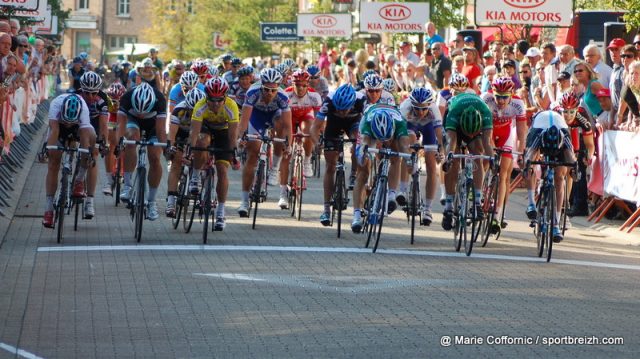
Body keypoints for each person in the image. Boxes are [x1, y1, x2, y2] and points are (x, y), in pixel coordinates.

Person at [237, 68, 292, 217]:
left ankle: (275, 167)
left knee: (281, 129)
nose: (270, 93)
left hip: (275, 115)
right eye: (266, 90)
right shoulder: (252, 94)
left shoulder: (283, 97)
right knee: (252, 154)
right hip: (257, 116)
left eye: (273, 90)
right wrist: (241, 137)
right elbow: (244, 120)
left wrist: (289, 145)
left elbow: (288, 125)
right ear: (261, 86)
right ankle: (244, 201)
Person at [187, 78, 239, 230]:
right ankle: (195, 176)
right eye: (212, 100)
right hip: (206, 129)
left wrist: (233, 153)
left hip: (224, 132)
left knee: (222, 170)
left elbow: (232, 134)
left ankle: (221, 212)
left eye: (219, 100)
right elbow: (194, 132)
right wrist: (192, 148)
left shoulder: (231, 106)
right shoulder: (200, 106)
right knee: (201, 143)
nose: (215, 104)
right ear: (206, 97)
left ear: (225, 98)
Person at [351, 104, 411, 233]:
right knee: (362, 172)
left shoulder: (400, 123)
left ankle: (391, 194)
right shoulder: (367, 125)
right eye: (382, 140)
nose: (385, 142)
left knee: (396, 156)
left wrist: (412, 163)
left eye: (387, 139)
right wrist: (363, 157)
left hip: (392, 121)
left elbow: (405, 149)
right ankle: (356, 215)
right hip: (370, 123)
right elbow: (364, 146)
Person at [311, 84, 365, 226]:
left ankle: (353, 174)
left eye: (345, 109)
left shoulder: (361, 101)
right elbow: (314, 127)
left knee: (358, 141)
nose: (342, 112)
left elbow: (368, 127)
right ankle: (326, 209)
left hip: (353, 122)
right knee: (330, 166)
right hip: (333, 126)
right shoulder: (328, 102)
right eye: (339, 109)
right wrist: (317, 143)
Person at [441, 93, 494, 230]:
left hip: (475, 124)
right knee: (454, 161)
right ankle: (448, 206)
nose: (469, 136)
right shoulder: (454, 113)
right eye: (468, 133)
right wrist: (449, 157)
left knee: (478, 152)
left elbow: (487, 142)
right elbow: (451, 142)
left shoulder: (485, 112)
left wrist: (493, 160)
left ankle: (477, 201)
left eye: (472, 133)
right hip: (456, 126)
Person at [523, 110, 577, 242]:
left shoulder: (565, 136)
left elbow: (571, 158)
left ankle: (556, 223)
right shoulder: (537, 133)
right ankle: (531, 203)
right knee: (529, 163)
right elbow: (529, 156)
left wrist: (575, 171)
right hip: (540, 124)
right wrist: (527, 167)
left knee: (560, 177)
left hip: (558, 136)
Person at [117, 82, 168, 221]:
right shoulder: (127, 97)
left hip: (153, 126)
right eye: (138, 110)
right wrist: (118, 143)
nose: (141, 114)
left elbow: (161, 130)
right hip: (132, 122)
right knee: (131, 139)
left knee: (155, 158)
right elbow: (121, 125)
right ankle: (127, 186)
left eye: (144, 111)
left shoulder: (160, 100)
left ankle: (152, 202)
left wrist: (166, 150)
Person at [42, 94, 95, 228]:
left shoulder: (83, 110)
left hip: (79, 129)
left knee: (90, 142)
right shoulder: (55, 105)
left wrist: (87, 154)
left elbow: (85, 138)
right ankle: (48, 209)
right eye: (66, 121)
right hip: (58, 128)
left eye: (70, 122)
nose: (68, 124)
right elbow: (54, 131)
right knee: (53, 164)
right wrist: (48, 150)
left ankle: (79, 180)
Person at [481, 77, 527, 232]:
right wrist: (490, 148)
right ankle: (479, 193)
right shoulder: (486, 99)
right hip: (488, 131)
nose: (500, 101)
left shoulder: (518, 104)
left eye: (504, 97)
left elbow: (521, 132)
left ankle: (498, 214)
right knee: (485, 162)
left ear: (511, 94)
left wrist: (521, 152)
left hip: (506, 135)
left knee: (504, 174)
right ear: (492, 93)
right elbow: (483, 128)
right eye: (498, 96)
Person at [398, 87, 444, 225]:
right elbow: (400, 135)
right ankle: (403, 190)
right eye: (417, 108)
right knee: (408, 145)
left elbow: (439, 137)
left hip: (428, 127)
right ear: (411, 104)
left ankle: (428, 209)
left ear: (429, 105)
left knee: (431, 166)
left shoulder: (434, 111)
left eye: (424, 109)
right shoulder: (405, 107)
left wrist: (440, 151)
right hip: (410, 125)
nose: (420, 112)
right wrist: (406, 152)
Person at [165, 88, 205, 217]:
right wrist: (171, 146)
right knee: (176, 162)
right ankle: (171, 202)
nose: (193, 113)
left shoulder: (206, 109)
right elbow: (172, 132)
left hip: (199, 133)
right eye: (191, 110)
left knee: (204, 156)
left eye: (196, 110)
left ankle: (202, 193)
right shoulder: (179, 109)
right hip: (181, 134)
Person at [77, 72, 111, 218]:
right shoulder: (76, 97)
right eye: (87, 93)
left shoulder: (103, 101)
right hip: (77, 122)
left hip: (95, 124)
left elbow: (104, 125)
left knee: (94, 157)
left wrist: (104, 142)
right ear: (81, 90)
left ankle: (90, 201)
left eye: (94, 93)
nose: (90, 97)